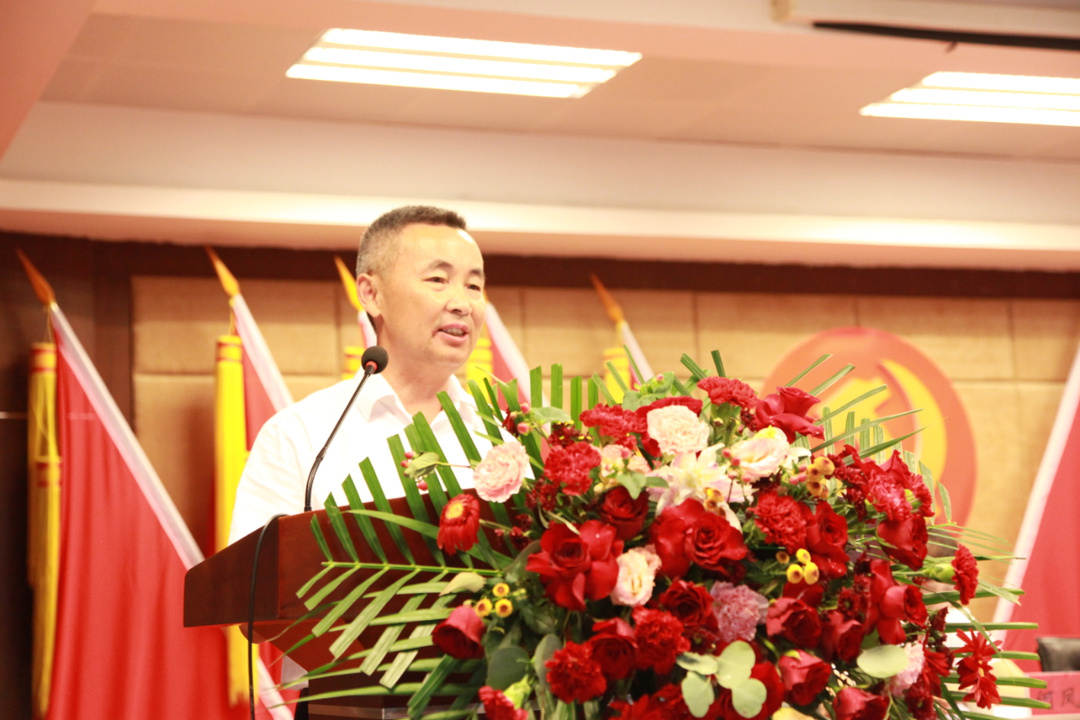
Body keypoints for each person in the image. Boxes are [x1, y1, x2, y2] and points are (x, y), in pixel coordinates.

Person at [228, 205, 489, 544]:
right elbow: (255, 570)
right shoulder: (300, 437)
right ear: (371, 294)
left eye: (474, 285)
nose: (463, 304)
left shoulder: (499, 439)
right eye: (438, 280)